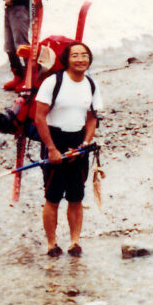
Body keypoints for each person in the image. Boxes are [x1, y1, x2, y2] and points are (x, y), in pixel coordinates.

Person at [33, 42, 102, 258]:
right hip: (55, 139)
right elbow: (39, 117)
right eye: (75, 55)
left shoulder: (91, 85)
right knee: (53, 196)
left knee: (76, 196)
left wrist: (86, 142)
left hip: (79, 142)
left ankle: (74, 242)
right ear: (67, 59)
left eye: (84, 55)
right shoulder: (53, 82)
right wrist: (51, 148)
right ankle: (51, 244)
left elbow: (92, 118)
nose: (80, 59)